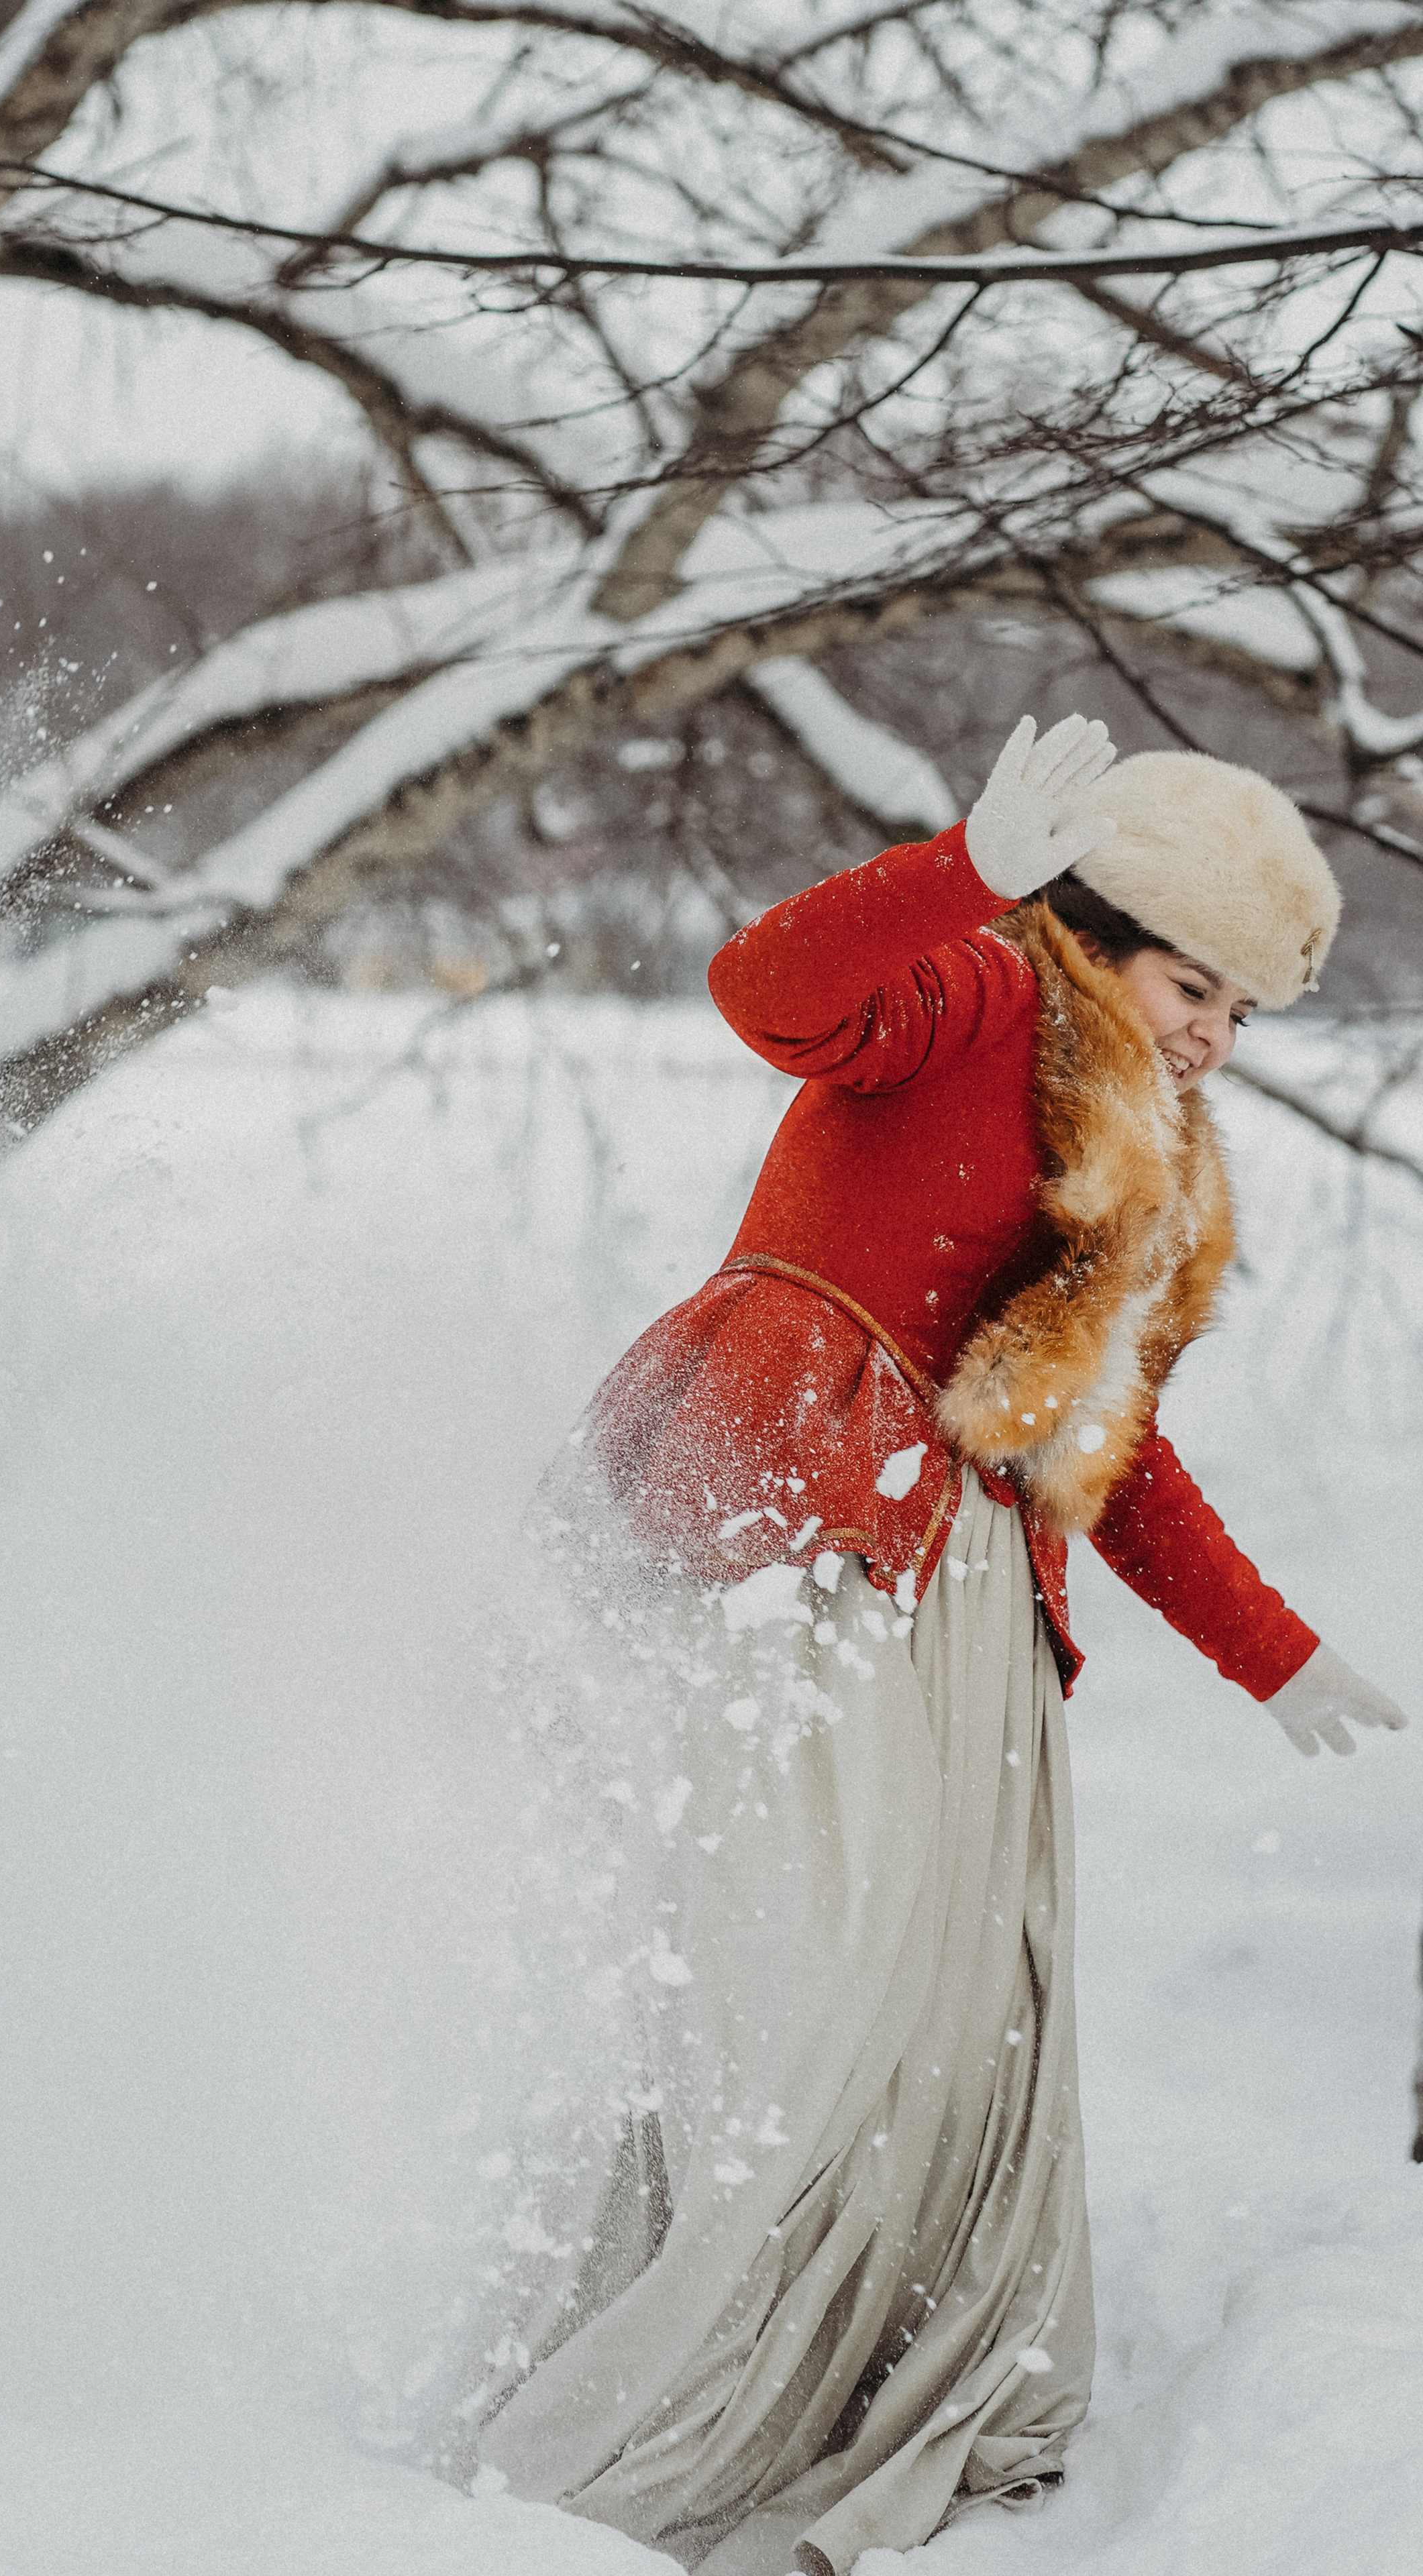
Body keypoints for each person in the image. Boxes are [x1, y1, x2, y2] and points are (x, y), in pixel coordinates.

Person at [468, 716, 1409, 2575]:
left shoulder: (1159, 1162)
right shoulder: (978, 994)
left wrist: (1274, 1653)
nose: (1211, 1030)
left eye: (1240, 1008)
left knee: (937, 2027)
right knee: (791, 2001)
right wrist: (958, 870)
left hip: (969, 1598)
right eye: (1186, 978)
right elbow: (769, 990)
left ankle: (846, 2390)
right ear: (1103, 926)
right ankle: (656, 2406)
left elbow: (1108, 1457)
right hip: (806, 1527)